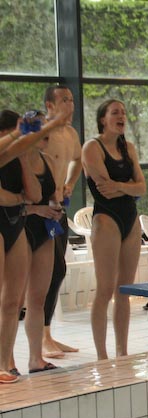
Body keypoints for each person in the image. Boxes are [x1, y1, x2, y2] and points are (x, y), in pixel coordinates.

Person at [0, 109, 64, 382]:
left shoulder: (26, 158)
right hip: (14, 223)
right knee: (6, 301)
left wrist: (24, 158)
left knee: (23, 300)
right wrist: (23, 203)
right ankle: (5, 362)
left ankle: (17, 363)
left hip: (24, 226)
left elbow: (36, 194)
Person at [81, 99, 147, 360]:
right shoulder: (92, 147)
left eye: (123, 112)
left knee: (125, 290)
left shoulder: (128, 148)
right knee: (105, 289)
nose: (122, 116)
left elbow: (142, 187)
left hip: (131, 218)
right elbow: (103, 190)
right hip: (106, 218)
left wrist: (121, 186)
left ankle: (122, 352)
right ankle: (101, 355)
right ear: (103, 119)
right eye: (115, 113)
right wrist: (129, 186)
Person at [20, 111, 65, 374]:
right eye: (41, 129)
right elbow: (10, 205)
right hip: (20, 229)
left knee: (38, 298)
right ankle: (6, 361)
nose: (46, 135)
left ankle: (35, 359)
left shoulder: (47, 160)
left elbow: (51, 195)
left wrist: (55, 207)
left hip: (44, 230)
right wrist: (36, 210)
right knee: (13, 301)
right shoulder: (15, 160)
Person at [41, 85, 83, 358]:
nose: (70, 104)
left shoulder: (70, 134)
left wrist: (69, 184)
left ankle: (47, 333)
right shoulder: (41, 134)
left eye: (71, 99)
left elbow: (78, 161)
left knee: (58, 270)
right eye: (64, 100)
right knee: (46, 272)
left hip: (59, 209)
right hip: (40, 211)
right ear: (50, 106)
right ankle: (42, 337)